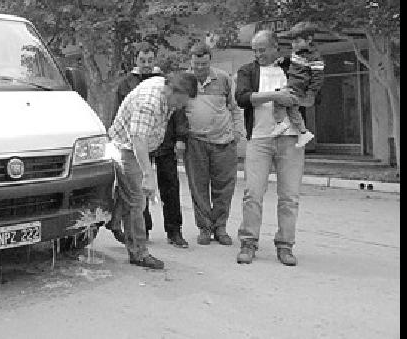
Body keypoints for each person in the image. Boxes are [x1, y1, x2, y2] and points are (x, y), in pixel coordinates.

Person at [234, 30, 314, 266]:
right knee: (253, 194)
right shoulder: (247, 71)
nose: (258, 54)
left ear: (275, 47)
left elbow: (310, 94)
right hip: (259, 138)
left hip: (291, 140)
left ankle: (285, 245)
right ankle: (248, 242)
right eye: (254, 50)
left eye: (262, 49)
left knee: (289, 196)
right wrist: (274, 96)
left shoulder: (292, 66)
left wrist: (295, 99)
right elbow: (242, 98)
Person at [108, 72, 199, 269]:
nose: (181, 107)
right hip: (127, 148)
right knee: (137, 199)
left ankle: (114, 221)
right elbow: (137, 140)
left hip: (141, 145)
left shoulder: (164, 88)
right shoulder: (148, 103)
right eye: (181, 102)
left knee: (129, 193)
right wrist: (148, 175)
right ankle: (138, 252)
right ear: (172, 91)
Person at [181, 42, 247, 246]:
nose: (200, 68)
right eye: (196, 64)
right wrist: (180, 139)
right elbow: (176, 111)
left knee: (224, 187)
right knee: (198, 187)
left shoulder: (224, 79)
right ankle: (204, 228)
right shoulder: (184, 80)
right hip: (195, 142)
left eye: (203, 64)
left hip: (224, 141)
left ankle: (220, 227)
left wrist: (238, 131)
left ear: (210, 61)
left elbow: (235, 108)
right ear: (191, 62)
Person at [270, 22, 326, 147]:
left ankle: (281, 123)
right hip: (293, 85)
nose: (293, 45)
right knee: (292, 110)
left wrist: (311, 94)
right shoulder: (297, 53)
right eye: (292, 42)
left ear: (309, 40)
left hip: (299, 88)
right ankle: (303, 132)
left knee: (277, 98)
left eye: (297, 42)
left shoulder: (315, 58)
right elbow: (293, 61)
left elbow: (318, 78)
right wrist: (284, 60)